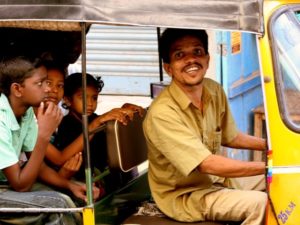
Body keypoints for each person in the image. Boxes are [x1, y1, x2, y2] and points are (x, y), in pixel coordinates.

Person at [143, 28, 268, 225]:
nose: (191, 60)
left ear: (208, 59)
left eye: (197, 52)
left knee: (288, 181)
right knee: (260, 203)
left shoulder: (213, 90)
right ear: (168, 67)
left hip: (217, 181)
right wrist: (267, 167)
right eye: (180, 55)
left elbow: (231, 136)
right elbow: (205, 163)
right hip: (187, 196)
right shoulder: (162, 113)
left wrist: (270, 146)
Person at [0, 56, 99, 225]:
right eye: (40, 84)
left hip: (8, 185)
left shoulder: (26, 113)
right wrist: (44, 135)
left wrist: (69, 185)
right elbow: (20, 185)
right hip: (8, 187)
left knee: (74, 198)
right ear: (17, 89)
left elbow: (40, 167)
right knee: (58, 205)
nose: (48, 89)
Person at [52, 72, 144, 194]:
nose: (90, 103)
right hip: (84, 181)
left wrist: (124, 110)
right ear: (68, 100)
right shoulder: (67, 124)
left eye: (94, 98)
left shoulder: (93, 118)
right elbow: (69, 157)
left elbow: (105, 123)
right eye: (83, 97)